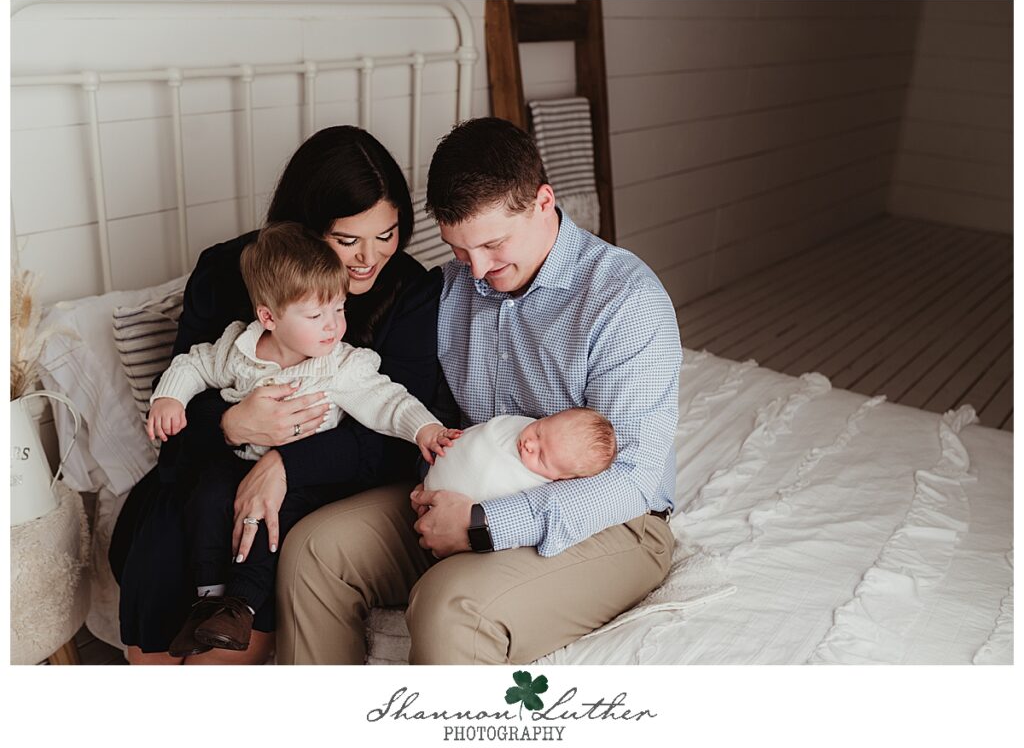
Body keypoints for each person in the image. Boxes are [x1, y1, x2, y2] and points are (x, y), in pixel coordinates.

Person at [276, 117, 682, 664]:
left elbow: (632, 479)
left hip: (610, 523)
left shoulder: (625, 301)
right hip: (468, 488)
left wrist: (480, 525)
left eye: (493, 244)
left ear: (543, 202)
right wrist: (434, 485)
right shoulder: (451, 287)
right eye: (460, 250)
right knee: (313, 550)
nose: (478, 270)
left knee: (449, 607)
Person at [108, 125, 455, 665]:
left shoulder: (411, 292)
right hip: (210, 463)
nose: (369, 258)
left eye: (387, 235)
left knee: (259, 548)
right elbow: (182, 396)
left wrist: (284, 463)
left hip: (322, 480)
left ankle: (235, 616)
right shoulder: (228, 273)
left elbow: (393, 432)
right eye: (347, 240)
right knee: (168, 569)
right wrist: (232, 425)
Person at [423, 409, 616, 502]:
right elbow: (480, 435)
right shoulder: (520, 425)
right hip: (434, 465)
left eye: (541, 456)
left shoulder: (535, 488)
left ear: (562, 478)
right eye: (538, 431)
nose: (529, 444)